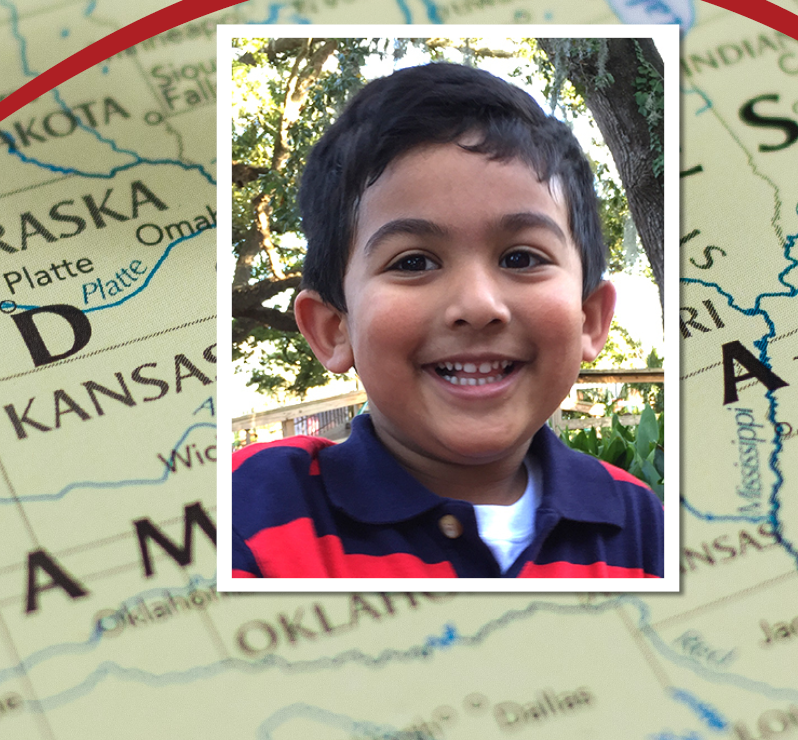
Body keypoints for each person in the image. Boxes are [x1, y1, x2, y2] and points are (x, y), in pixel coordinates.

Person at [231, 62, 665, 581]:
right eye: (413, 262)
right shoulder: (252, 510)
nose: (479, 305)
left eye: (521, 258)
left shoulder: (641, 526)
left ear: (590, 318)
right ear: (333, 329)